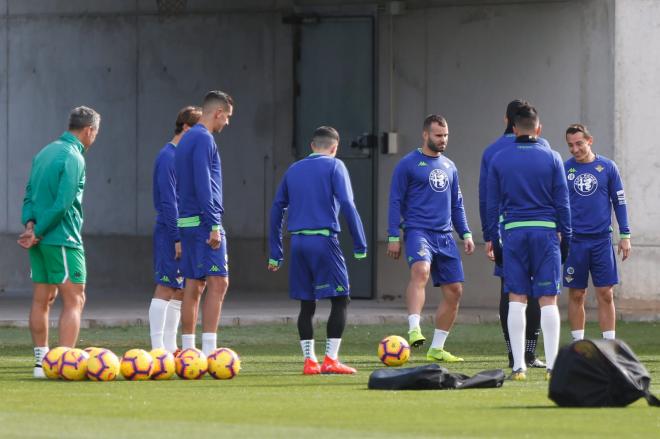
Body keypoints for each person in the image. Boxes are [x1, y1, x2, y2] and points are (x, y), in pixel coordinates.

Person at [268, 126, 367, 375]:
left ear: (312, 146)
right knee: (341, 298)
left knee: (307, 303)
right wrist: (360, 243)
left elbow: (277, 209)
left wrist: (275, 251)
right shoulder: (336, 166)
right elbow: (347, 204)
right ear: (335, 148)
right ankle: (330, 359)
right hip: (324, 241)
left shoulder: (294, 169)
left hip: (298, 243)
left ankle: (309, 361)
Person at [486, 104, 571, 380]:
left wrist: (492, 238)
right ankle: (553, 366)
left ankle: (519, 366)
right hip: (546, 234)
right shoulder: (553, 157)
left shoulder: (499, 158)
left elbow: (491, 204)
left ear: (513, 128)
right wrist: (566, 236)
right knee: (548, 300)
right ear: (539, 128)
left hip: (514, 234)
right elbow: (563, 202)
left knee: (516, 298)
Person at [18, 106, 101, 378]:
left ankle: (41, 364)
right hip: (62, 238)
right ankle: (66, 364)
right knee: (75, 298)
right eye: (95, 133)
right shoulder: (74, 156)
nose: (94, 139)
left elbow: (29, 193)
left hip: (39, 239)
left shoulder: (44, 152)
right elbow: (64, 203)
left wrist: (30, 225)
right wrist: (39, 230)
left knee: (43, 298)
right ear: (89, 130)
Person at [387, 114, 475, 363]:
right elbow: (395, 201)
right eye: (438, 135)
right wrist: (393, 235)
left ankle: (437, 348)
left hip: (445, 235)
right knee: (421, 271)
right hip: (418, 231)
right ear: (425, 135)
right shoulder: (408, 164)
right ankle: (414, 327)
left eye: (446, 135)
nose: (443, 139)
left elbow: (457, 204)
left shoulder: (450, 166)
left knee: (455, 291)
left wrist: (466, 233)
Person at [478, 99, 545, 369]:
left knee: (509, 291)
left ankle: (513, 354)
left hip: (508, 230)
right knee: (539, 290)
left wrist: (489, 235)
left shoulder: (492, 151)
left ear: (507, 122)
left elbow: (486, 198)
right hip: (541, 229)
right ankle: (531, 353)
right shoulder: (544, 148)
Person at [174, 91, 233, 356]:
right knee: (218, 283)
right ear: (218, 113)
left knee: (193, 283)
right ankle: (209, 351)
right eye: (228, 117)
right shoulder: (203, 138)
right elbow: (203, 183)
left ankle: (188, 349)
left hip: (187, 220)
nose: (227, 123)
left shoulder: (185, 140)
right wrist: (213, 223)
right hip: (202, 221)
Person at [563, 123, 631, 341]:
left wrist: (625, 235)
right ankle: (578, 345)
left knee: (606, 294)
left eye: (579, 143)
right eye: (571, 145)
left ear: (589, 141)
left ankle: (609, 346)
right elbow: (557, 203)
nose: (575, 149)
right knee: (576, 293)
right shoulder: (565, 169)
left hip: (601, 241)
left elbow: (619, 201)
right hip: (575, 242)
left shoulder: (608, 167)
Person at [149, 106, 202, 353]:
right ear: (187, 128)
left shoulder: (184, 158)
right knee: (167, 285)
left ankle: (171, 347)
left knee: (181, 288)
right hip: (171, 231)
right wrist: (177, 237)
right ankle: (158, 348)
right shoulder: (168, 157)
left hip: (186, 231)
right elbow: (169, 202)